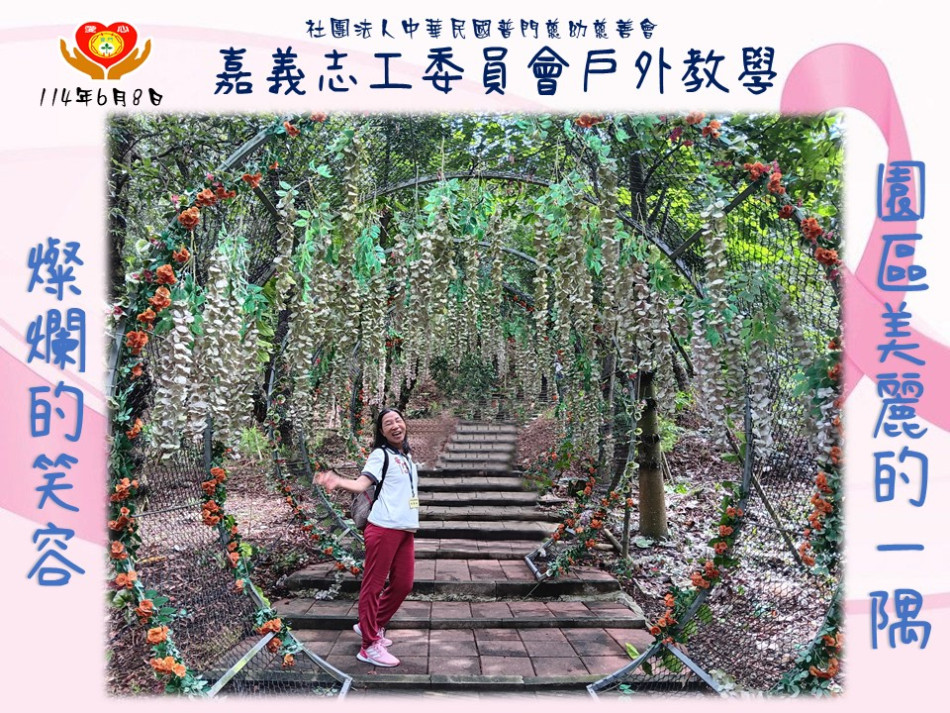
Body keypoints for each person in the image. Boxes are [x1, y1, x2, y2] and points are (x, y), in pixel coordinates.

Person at [314, 408, 418, 667]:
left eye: (398, 420)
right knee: (373, 586)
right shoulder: (380, 454)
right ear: (381, 431)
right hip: (383, 528)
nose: (395, 425)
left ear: (404, 424)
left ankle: (371, 624)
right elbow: (362, 484)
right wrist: (337, 480)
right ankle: (369, 646)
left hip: (405, 529)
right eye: (388, 423)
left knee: (403, 584)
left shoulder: (406, 456)